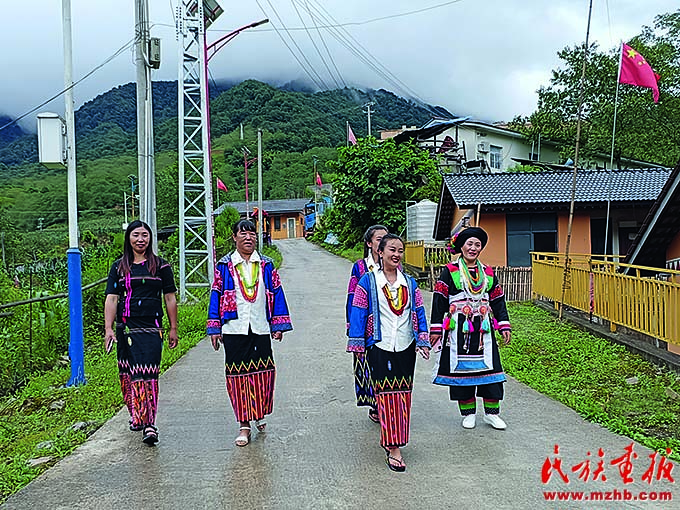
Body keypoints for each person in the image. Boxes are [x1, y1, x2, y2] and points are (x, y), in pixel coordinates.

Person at [348, 234, 430, 472]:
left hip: (405, 346)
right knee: (385, 395)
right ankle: (393, 447)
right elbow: (358, 314)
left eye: (400, 250)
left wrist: (422, 340)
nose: (396, 254)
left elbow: (420, 313)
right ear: (380, 253)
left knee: (403, 395)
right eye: (391, 249)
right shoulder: (368, 281)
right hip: (379, 346)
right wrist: (358, 345)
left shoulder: (410, 283)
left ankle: (396, 440)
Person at [207, 219, 293, 447]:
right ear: (234, 237)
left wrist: (278, 324)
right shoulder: (224, 266)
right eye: (243, 234)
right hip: (234, 328)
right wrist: (215, 327)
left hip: (260, 327)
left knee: (264, 374)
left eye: (252, 234)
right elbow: (215, 296)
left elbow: (276, 292)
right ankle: (244, 424)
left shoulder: (266, 265)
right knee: (238, 377)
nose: (248, 238)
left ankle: (259, 411)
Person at [429, 227, 512, 431]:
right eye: (469, 244)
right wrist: (436, 329)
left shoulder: (489, 273)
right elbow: (439, 301)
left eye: (477, 244)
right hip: (459, 329)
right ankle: (468, 414)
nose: (473, 248)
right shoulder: (450, 271)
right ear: (462, 246)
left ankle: (492, 414)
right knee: (462, 373)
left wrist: (503, 325)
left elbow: (498, 300)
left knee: (490, 370)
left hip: (483, 330)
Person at [104, 220, 178, 446]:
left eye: (145, 235)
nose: (140, 239)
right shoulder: (119, 267)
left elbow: (169, 297)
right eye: (136, 235)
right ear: (129, 238)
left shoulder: (161, 266)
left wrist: (173, 327)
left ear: (150, 238)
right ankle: (136, 415)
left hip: (151, 328)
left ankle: (149, 423)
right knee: (129, 375)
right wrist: (108, 328)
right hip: (126, 327)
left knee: (148, 374)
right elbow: (112, 298)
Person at [346, 224, 388, 424]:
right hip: (368, 326)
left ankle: (389, 402)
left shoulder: (395, 266)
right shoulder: (360, 267)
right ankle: (375, 404)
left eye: (386, 238)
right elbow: (352, 297)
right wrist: (353, 328)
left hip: (391, 324)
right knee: (369, 365)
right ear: (369, 243)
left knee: (389, 364)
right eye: (379, 238)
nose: (383, 242)